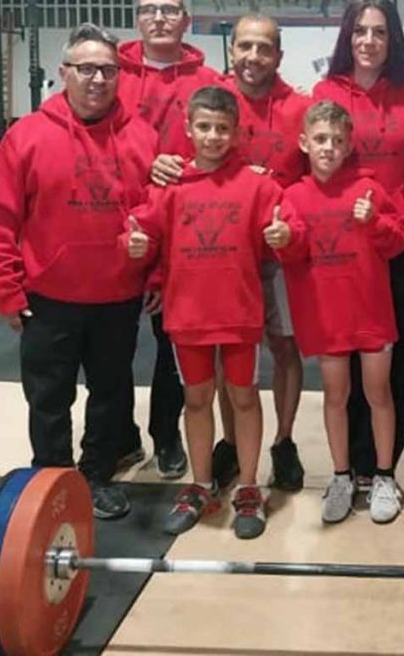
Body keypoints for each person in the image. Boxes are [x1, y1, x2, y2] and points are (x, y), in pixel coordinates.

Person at [0, 23, 157, 520]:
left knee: (110, 393)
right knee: (48, 397)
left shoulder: (142, 138)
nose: (98, 79)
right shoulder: (26, 137)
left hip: (117, 296)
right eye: (87, 69)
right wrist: (6, 290)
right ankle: (52, 477)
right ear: (64, 73)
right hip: (48, 297)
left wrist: (155, 274)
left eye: (108, 70)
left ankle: (96, 475)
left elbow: (159, 216)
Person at [150, 13, 309, 494]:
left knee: (283, 347)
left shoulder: (300, 107)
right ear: (232, 50)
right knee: (222, 358)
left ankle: (282, 441)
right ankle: (231, 445)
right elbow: (176, 165)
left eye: (264, 48)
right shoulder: (209, 99)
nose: (254, 56)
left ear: (278, 55)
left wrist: (285, 216)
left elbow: (320, 170)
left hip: (277, 244)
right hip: (220, 253)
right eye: (245, 46)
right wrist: (159, 164)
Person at [126, 85, 283, 539]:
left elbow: (286, 223)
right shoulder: (170, 188)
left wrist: (285, 233)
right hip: (188, 316)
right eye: (204, 127)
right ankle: (200, 484)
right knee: (196, 399)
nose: (213, 136)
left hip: (239, 313)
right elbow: (140, 229)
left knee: (244, 397)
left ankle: (249, 486)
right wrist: (133, 244)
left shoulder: (258, 184)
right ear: (188, 129)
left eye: (222, 128)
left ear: (236, 132)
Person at [312, 0, 404, 492]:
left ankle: (383, 468)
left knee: (395, 361)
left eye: (379, 31)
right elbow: (311, 162)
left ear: (393, 39)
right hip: (346, 247)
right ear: (347, 35)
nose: (369, 40)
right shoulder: (325, 91)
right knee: (348, 357)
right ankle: (350, 464)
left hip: (402, 244)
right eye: (360, 30)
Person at [270, 101, 404, 523]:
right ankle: (341, 476)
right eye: (320, 139)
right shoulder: (292, 196)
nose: (328, 147)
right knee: (336, 396)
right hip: (326, 315)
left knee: (378, 393)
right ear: (303, 143)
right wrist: (282, 238)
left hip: (370, 312)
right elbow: (293, 250)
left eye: (336, 140)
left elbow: (398, 240)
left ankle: (384, 476)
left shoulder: (369, 190)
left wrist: (374, 222)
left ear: (349, 146)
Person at [116, 0, 222, 481]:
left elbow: (223, 145)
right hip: (115, 226)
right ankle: (118, 436)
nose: (159, 17)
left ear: (186, 19)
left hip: (181, 233)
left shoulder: (209, 82)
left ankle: (166, 434)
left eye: (170, 10)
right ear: (137, 17)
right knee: (110, 347)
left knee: (171, 344)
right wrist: (145, 166)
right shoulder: (109, 75)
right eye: (149, 9)